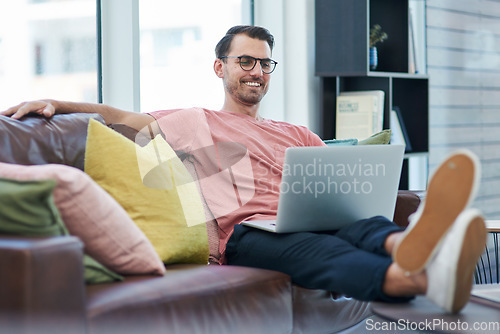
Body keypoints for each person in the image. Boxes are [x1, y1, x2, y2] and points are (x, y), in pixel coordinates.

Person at [1, 25, 487, 314]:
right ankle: (420, 279)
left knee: (361, 223)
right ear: (222, 68)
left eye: (265, 64)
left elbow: (339, 179)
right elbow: (119, 117)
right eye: (246, 61)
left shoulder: (296, 132)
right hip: (248, 231)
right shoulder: (193, 121)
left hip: (318, 217)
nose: (256, 71)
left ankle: (411, 246)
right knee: (318, 248)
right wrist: (57, 101)